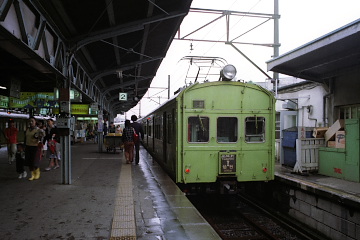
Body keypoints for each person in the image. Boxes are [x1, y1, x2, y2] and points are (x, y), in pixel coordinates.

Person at [25, 117, 44, 181]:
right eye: (30, 121)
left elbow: (42, 135)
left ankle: (37, 172)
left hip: (35, 146)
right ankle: (32, 174)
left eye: (32, 121)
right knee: (29, 161)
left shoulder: (37, 129)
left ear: (35, 122)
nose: (31, 122)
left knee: (34, 160)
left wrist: (41, 133)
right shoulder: (28, 129)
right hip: (28, 146)